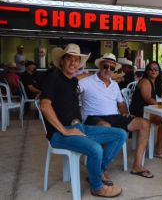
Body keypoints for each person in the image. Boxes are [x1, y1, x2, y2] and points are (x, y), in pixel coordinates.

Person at [40, 44, 126, 198]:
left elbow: (80, 77)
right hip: (59, 134)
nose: (73, 63)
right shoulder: (53, 78)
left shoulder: (72, 81)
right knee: (96, 149)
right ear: (61, 61)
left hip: (79, 128)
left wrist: (97, 74)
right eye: (69, 59)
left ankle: (97, 170)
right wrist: (65, 130)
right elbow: (45, 107)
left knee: (120, 134)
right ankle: (97, 187)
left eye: (76, 60)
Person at [79, 53, 154, 178]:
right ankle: (100, 169)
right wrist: (82, 75)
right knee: (105, 127)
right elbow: (70, 88)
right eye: (105, 66)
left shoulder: (114, 84)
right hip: (93, 117)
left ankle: (137, 165)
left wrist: (125, 112)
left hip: (114, 116)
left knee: (144, 123)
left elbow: (121, 104)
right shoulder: (87, 81)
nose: (108, 70)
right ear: (100, 66)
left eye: (112, 68)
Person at [130, 61, 162, 158]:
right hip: (139, 111)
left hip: (146, 110)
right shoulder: (145, 81)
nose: (153, 71)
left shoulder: (154, 83)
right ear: (147, 71)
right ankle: (158, 149)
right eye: (151, 69)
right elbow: (147, 99)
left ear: (159, 71)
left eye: (156, 69)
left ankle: (158, 148)